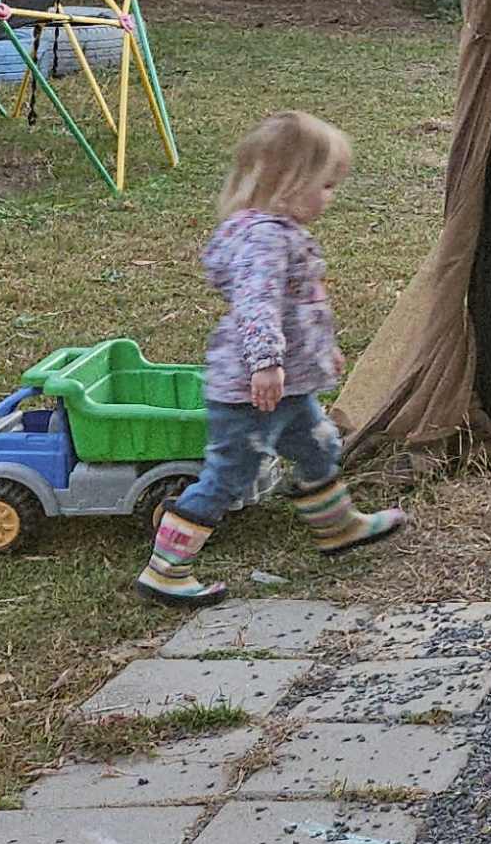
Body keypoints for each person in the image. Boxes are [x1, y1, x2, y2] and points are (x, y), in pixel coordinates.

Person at [137, 110, 406, 607]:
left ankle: (337, 527)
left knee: (318, 446)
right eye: (325, 186)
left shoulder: (268, 230)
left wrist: (321, 352)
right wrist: (265, 363)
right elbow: (255, 303)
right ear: (288, 183)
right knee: (230, 477)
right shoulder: (264, 239)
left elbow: (298, 305)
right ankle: (165, 569)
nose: (331, 197)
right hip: (253, 392)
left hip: (290, 386)